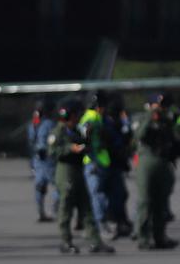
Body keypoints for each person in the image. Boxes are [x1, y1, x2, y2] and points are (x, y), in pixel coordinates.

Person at [50, 98, 113, 254]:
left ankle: (95, 241)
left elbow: (87, 145)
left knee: (86, 207)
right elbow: (52, 151)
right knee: (66, 208)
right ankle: (66, 241)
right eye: (77, 114)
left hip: (78, 170)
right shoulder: (59, 131)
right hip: (66, 171)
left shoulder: (78, 130)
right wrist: (70, 149)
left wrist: (87, 140)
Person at [134, 104, 180, 250]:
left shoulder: (166, 122)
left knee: (161, 202)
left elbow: (175, 139)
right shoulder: (143, 120)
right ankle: (143, 237)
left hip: (163, 162)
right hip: (146, 162)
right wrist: (149, 118)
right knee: (145, 201)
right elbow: (139, 135)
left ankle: (159, 236)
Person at [79, 91, 113, 235]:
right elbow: (90, 141)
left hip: (96, 161)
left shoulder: (91, 117)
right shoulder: (93, 119)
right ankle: (100, 224)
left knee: (97, 194)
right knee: (97, 194)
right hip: (95, 161)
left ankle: (96, 224)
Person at [103, 97, 134, 237]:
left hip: (116, 164)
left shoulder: (117, 124)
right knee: (115, 195)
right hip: (110, 165)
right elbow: (118, 144)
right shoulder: (109, 125)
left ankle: (121, 220)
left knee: (121, 194)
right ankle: (114, 221)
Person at [28, 97, 58, 222]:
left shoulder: (33, 124)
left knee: (40, 186)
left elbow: (30, 142)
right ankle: (54, 210)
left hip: (37, 159)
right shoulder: (50, 124)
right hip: (49, 159)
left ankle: (40, 212)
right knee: (58, 186)